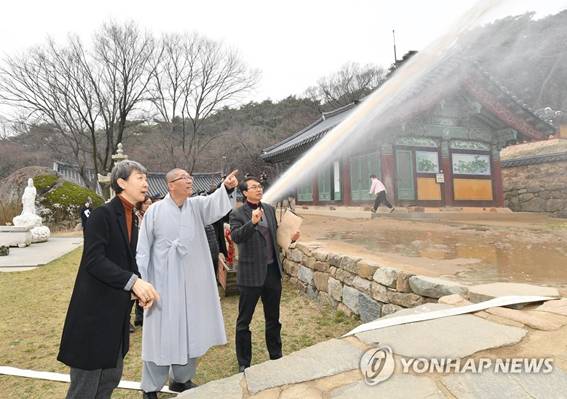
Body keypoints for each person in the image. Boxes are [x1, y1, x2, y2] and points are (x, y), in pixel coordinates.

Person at [58, 160, 160, 399]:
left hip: (115, 315)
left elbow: (127, 260)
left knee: (109, 379)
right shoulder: (101, 215)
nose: (146, 183)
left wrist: (138, 289)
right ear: (122, 182)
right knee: (86, 386)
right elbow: (93, 260)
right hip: (94, 315)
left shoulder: (132, 216)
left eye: (146, 178)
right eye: (140, 178)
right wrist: (133, 281)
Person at [136, 169, 239, 398]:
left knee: (192, 330)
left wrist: (228, 187)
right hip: (163, 283)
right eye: (184, 178)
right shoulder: (155, 212)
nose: (190, 180)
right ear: (171, 184)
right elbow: (143, 250)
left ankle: (181, 380)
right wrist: (142, 283)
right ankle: (150, 387)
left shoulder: (196, 206)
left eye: (190, 177)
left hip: (193, 282)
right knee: (160, 334)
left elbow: (215, 204)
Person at [230, 177, 300, 372]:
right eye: (254, 187)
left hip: (272, 272)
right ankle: (244, 362)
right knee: (244, 321)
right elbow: (236, 237)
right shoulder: (237, 214)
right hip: (251, 273)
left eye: (259, 187)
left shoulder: (269, 209)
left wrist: (290, 239)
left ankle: (276, 355)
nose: (258, 189)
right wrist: (251, 223)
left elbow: (276, 237)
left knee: (273, 318)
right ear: (244, 193)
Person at [131, 195, 154, 329]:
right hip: (135, 253)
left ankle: (143, 315)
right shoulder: (135, 218)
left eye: (150, 204)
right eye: (146, 204)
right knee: (137, 283)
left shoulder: (153, 216)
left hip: (148, 254)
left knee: (147, 282)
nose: (148, 206)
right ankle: (137, 316)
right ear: (140, 205)